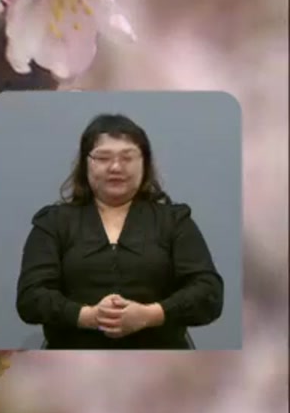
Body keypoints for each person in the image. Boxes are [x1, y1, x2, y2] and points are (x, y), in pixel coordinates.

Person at [15, 113, 225, 350]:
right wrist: (89, 316)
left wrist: (149, 314)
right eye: (103, 158)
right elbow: (31, 298)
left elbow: (209, 294)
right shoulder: (53, 222)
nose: (116, 167)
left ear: (144, 163)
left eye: (127, 158)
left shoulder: (174, 221)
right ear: (86, 164)